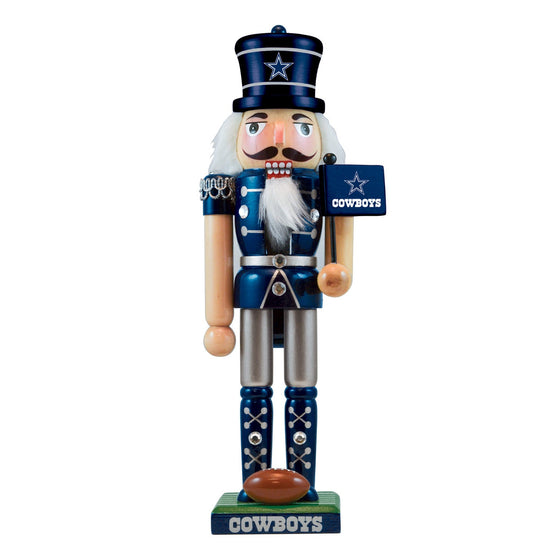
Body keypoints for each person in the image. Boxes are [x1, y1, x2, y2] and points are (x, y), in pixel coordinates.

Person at [201, 25, 353, 502]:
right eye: (259, 124)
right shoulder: (227, 186)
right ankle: (256, 480)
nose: (280, 137)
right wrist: (217, 317)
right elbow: (215, 248)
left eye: (301, 126)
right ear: (237, 134)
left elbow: (344, 233)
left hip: (306, 283)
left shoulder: (328, 182)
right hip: (252, 286)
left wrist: (340, 271)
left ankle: (303, 481)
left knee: (303, 384)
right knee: (254, 384)